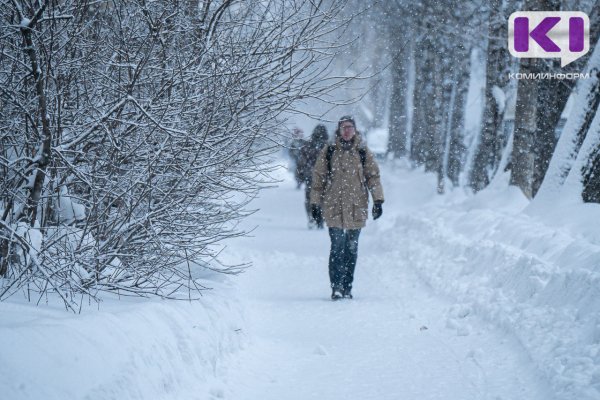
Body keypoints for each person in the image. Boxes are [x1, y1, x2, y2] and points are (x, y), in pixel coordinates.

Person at [310, 115, 384, 300]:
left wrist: (378, 201)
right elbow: (318, 179)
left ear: (355, 129)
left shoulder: (362, 151)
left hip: (356, 207)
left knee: (351, 248)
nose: (347, 130)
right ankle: (336, 286)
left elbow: (373, 177)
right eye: (343, 127)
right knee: (337, 247)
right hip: (333, 206)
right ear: (338, 130)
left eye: (350, 127)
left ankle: (347, 286)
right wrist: (315, 204)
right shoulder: (329, 151)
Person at [296, 124, 329, 229]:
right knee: (323, 198)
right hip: (324, 177)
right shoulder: (329, 146)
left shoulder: (308, 146)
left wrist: (300, 175)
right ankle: (320, 218)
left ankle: (312, 217)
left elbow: (301, 161)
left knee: (310, 198)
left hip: (310, 176)